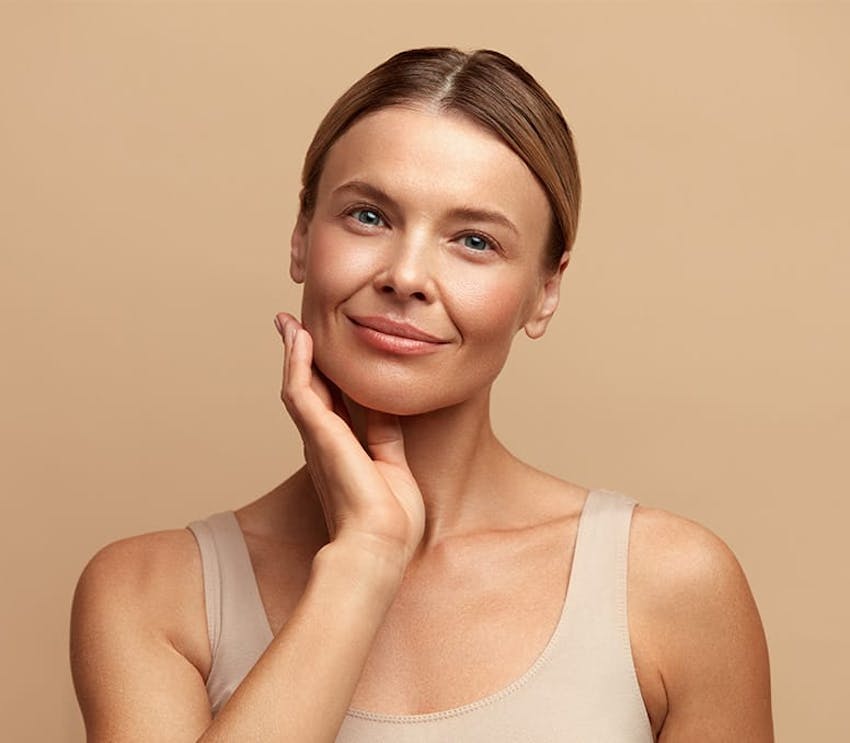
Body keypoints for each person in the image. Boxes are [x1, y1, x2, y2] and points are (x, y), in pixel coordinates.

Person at [70, 47, 773, 741]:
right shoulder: (148, 594)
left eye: (473, 240)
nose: (406, 275)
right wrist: (364, 559)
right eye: (369, 217)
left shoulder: (671, 586)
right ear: (300, 235)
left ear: (545, 290)